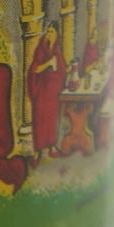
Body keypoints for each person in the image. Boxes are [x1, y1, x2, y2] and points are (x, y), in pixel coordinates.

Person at [27, 23, 67, 163]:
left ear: (56, 34)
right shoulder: (41, 49)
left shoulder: (57, 50)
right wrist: (48, 63)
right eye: (48, 31)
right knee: (39, 119)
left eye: (52, 32)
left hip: (53, 92)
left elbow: (62, 70)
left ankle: (52, 146)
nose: (49, 34)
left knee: (52, 119)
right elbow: (35, 69)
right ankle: (37, 150)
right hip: (41, 90)